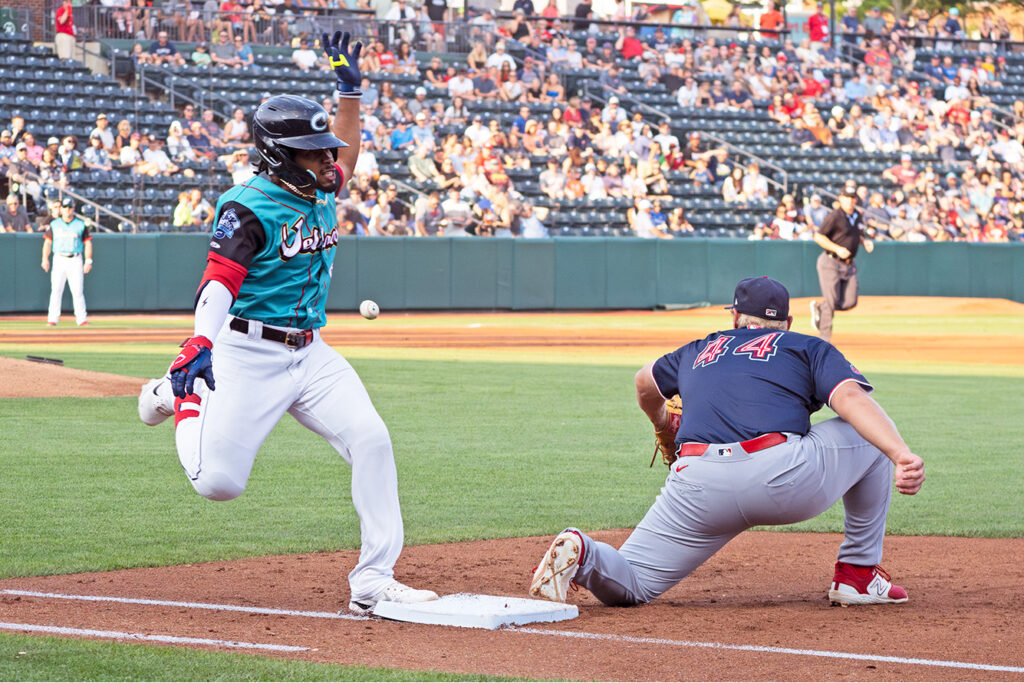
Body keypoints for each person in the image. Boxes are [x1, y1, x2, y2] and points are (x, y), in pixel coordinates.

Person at [135, 31, 438, 615]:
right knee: (219, 484)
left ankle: (373, 582)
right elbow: (219, 280)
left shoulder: (319, 182)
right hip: (245, 352)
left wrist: (350, 89)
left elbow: (347, 151)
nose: (329, 159)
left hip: (312, 352)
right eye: (314, 150)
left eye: (326, 150)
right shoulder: (248, 204)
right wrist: (199, 342)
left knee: (372, 440)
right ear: (279, 154)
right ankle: (181, 398)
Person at [529, 276, 924, 608]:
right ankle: (857, 574)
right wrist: (900, 455)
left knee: (634, 585)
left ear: (735, 316)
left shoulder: (701, 347)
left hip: (697, 484)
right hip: (783, 479)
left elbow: (643, 383)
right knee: (871, 430)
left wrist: (664, 421)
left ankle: (583, 553)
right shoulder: (806, 345)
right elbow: (852, 399)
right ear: (786, 322)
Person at [809, 191, 873, 342]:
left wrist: (864, 242)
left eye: (852, 198)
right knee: (831, 302)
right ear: (841, 199)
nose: (850, 201)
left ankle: (821, 309)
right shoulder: (834, 216)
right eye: (847, 198)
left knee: (850, 302)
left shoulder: (857, 215)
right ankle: (824, 340)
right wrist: (836, 248)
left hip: (849, 265)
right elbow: (818, 236)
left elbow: (855, 235)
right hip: (831, 262)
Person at [41, 198, 91, 327]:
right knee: (56, 289)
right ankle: (52, 319)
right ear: (61, 209)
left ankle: (81, 319)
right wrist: (45, 258)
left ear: (73, 209)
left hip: (75, 258)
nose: (67, 210)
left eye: (69, 207)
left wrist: (88, 260)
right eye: (65, 207)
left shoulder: (80, 224)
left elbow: (88, 243)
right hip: (59, 258)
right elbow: (47, 242)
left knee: (78, 290)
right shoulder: (55, 224)